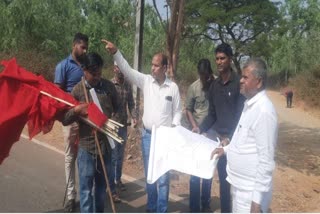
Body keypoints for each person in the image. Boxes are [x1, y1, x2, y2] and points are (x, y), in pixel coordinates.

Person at [101, 39, 182, 213]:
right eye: (152, 65)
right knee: (150, 175)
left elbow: (177, 112)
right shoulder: (146, 81)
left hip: (164, 139)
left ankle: (162, 209)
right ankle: (151, 207)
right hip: (147, 137)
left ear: (165, 67)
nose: (152, 68)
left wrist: (174, 127)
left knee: (163, 176)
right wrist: (116, 52)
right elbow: (128, 71)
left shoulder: (173, 88)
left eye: (156, 65)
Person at [212, 58, 278, 213]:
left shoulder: (264, 111)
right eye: (241, 77)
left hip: (250, 195)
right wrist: (226, 150)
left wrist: (256, 202)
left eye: (245, 77)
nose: (240, 81)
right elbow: (242, 139)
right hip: (239, 187)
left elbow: (266, 161)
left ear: (259, 82)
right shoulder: (249, 105)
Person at [62, 52, 119, 213]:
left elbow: (119, 107)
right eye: (93, 74)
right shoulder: (77, 91)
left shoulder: (108, 87)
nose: (97, 77)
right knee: (86, 191)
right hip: (86, 148)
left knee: (101, 190)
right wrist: (76, 110)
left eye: (99, 73)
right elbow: (65, 118)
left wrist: (111, 121)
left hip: (105, 146)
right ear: (84, 70)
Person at [194, 43, 245, 213]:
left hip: (236, 143)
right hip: (219, 143)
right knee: (223, 184)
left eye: (222, 58)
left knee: (237, 187)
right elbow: (212, 115)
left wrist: (230, 138)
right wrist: (200, 129)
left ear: (230, 59)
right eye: (217, 59)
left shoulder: (239, 83)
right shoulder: (214, 86)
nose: (219, 61)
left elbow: (241, 117)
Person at [54, 32, 88, 212]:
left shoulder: (86, 66)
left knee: (84, 156)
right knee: (70, 157)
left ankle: (85, 194)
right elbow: (57, 94)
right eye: (82, 47)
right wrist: (73, 106)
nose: (85, 50)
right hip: (71, 117)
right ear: (74, 45)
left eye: (86, 48)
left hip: (87, 119)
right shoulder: (63, 66)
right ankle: (70, 197)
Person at [185, 59, 215, 212]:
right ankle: (194, 207)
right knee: (195, 172)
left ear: (210, 73)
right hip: (197, 136)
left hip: (212, 135)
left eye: (207, 75)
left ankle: (206, 204)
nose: (204, 78)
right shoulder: (193, 88)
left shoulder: (216, 85)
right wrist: (195, 126)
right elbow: (188, 109)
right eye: (202, 76)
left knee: (208, 170)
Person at [109, 61, 137, 202]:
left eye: (121, 68)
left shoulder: (127, 85)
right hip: (111, 126)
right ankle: (111, 184)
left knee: (120, 155)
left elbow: (131, 103)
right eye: (117, 67)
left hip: (123, 126)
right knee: (113, 156)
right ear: (114, 68)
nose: (119, 71)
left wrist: (134, 116)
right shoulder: (109, 85)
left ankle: (118, 179)